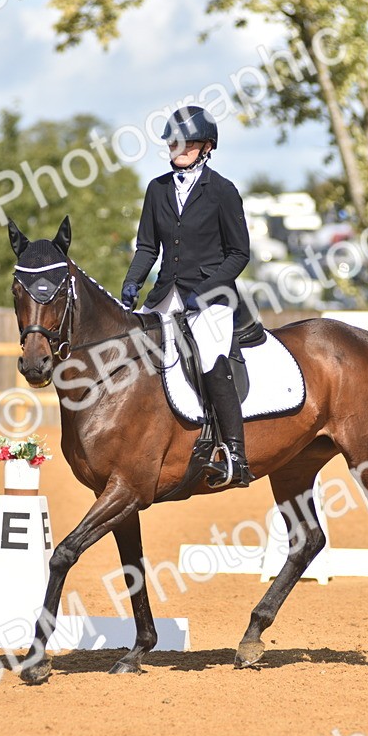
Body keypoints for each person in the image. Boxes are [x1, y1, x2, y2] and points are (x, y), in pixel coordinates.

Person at [120, 105, 253, 486]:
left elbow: (239, 254)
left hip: (211, 297)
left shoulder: (223, 191)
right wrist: (132, 284)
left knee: (210, 357)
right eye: (172, 141)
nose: (175, 146)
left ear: (206, 146)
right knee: (131, 347)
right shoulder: (157, 188)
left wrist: (207, 292)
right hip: (166, 293)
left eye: (184, 141)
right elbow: (147, 247)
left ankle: (234, 454)